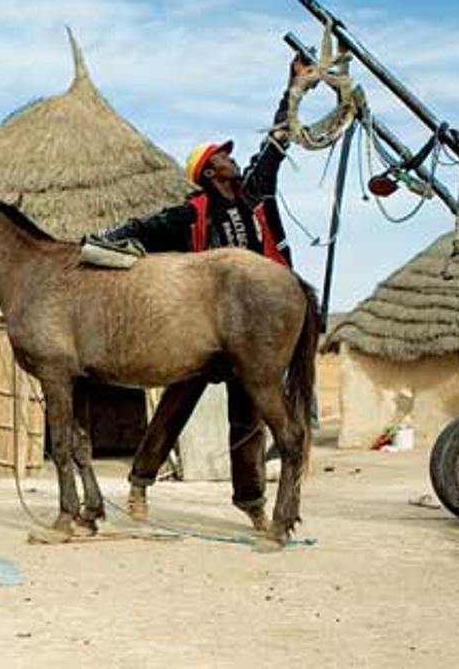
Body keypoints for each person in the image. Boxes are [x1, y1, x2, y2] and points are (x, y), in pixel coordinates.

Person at [97, 54, 308, 531]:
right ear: (211, 171)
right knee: (175, 406)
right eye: (223, 156)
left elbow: (277, 142)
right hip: (202, 330)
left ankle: (252, 503)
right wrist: (97, 243)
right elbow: (143, 229)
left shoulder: (256, 195)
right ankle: (139, 483)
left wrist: (292, 87)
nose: (232, 159)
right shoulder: (192, 213)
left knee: (249, 417)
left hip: (250, 327)